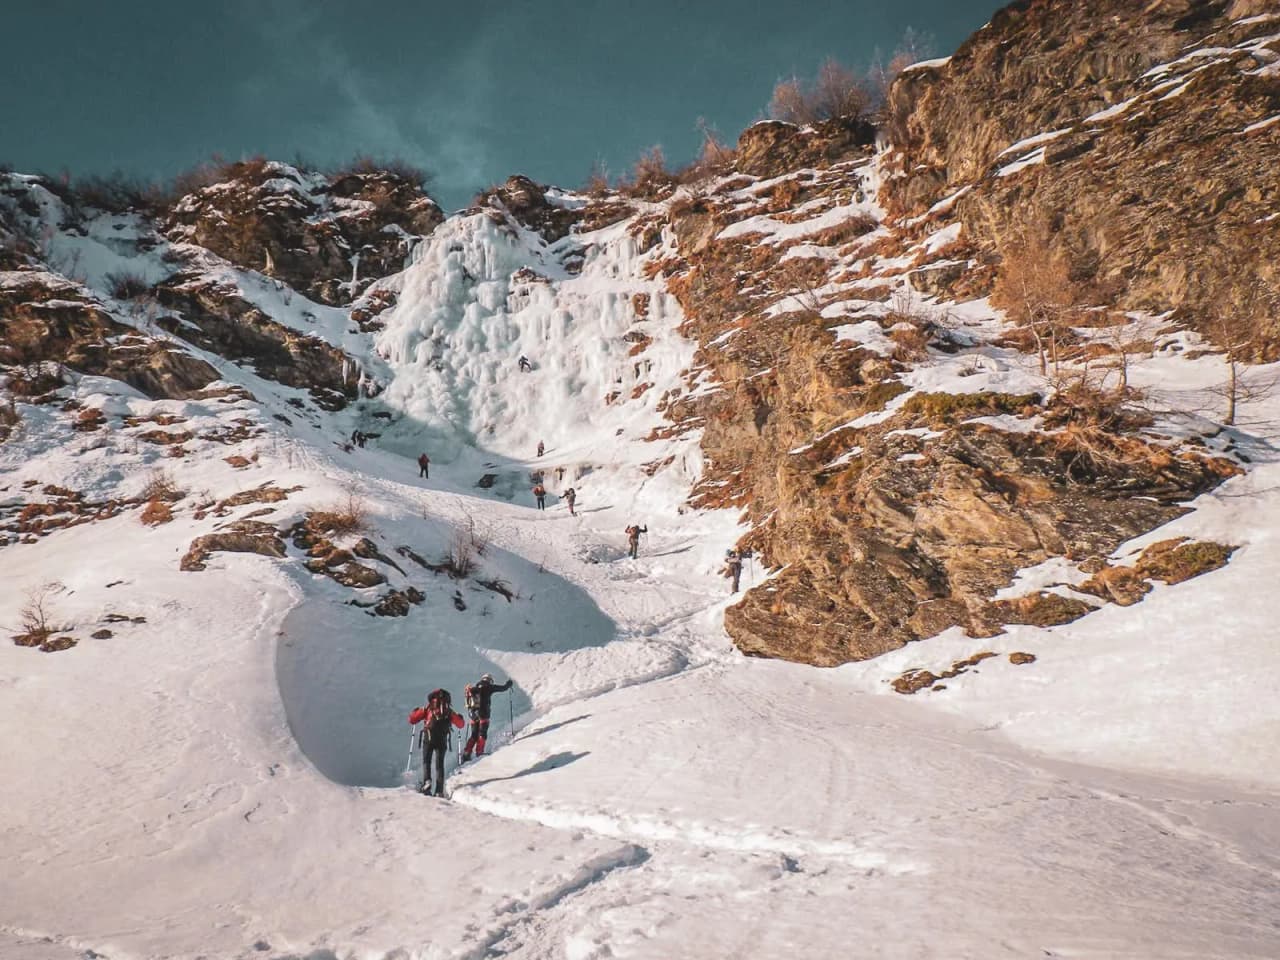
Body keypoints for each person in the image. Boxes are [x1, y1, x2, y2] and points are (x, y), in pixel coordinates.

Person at [407, 688, 464, 797]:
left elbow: (412, 720)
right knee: (439, 764)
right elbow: (461, 725)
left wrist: (415, 712)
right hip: (442, 740)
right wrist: (460, 718)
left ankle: (427, 782)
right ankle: (439, 791)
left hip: (429, 738)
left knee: (427, 761)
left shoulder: (428, 708)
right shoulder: (448, 711)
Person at [461, 672, 514, 761]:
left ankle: (466, 753)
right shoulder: (489, 687)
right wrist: (509, 684)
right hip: (483, 714)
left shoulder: (475, 688)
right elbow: (503, 688)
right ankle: (479, 752)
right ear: (490, 680)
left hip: (473, 715)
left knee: (474, 735)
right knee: (482, 734)